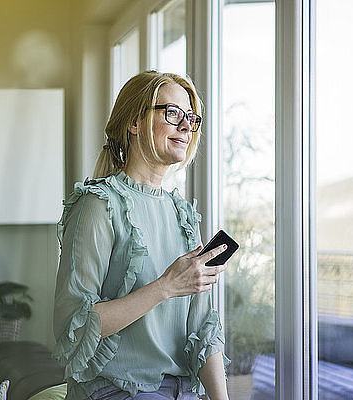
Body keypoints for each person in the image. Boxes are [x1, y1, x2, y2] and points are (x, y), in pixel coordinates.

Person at [53, 70, 230, 400]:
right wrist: (166, 287)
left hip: (182, 391)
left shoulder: (184, 215)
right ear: (134, 122)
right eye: (172, 113)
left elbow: (203, 327)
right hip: (113, 388)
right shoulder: (98, 205)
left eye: (191, 117)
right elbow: (74, 325)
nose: (186, 126)